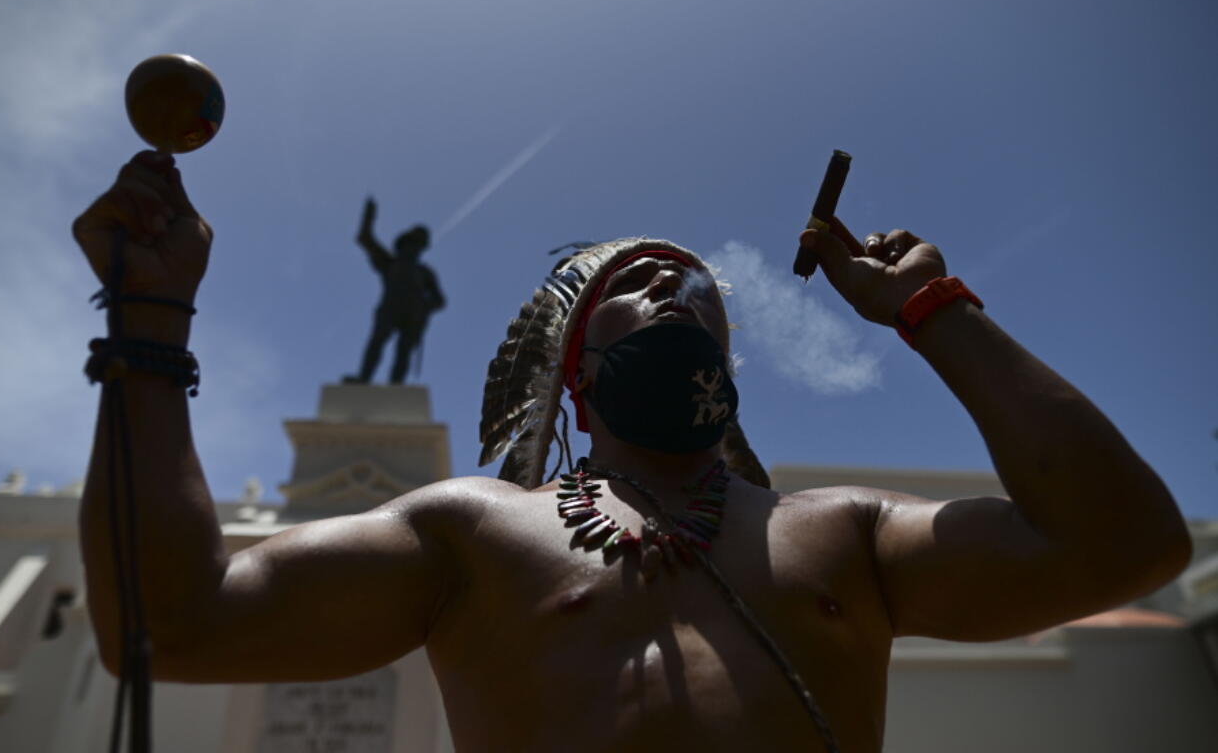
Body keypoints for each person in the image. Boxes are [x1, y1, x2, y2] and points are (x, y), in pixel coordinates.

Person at [73, 151, 1191, 753]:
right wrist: (147, 322)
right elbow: (164, 621)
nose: (675, 282)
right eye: (635, 281)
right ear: (573, 361)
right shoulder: (467, 530)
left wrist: (931, 309)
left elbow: (1125, 546)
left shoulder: (844, 533)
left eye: (694, 282)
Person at [343, 196, 445, 385]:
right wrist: (368, 218)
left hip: (413, 315)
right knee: (376, 343)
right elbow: (366, 239)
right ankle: (363, 379)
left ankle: (396, 387)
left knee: (403, 352)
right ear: (402, 246)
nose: (412, 249)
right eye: (409, 244)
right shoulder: (390, 263)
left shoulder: (425, 272)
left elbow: (440, 300)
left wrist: (425, 306)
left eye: (416, 246)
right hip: (389, 308)